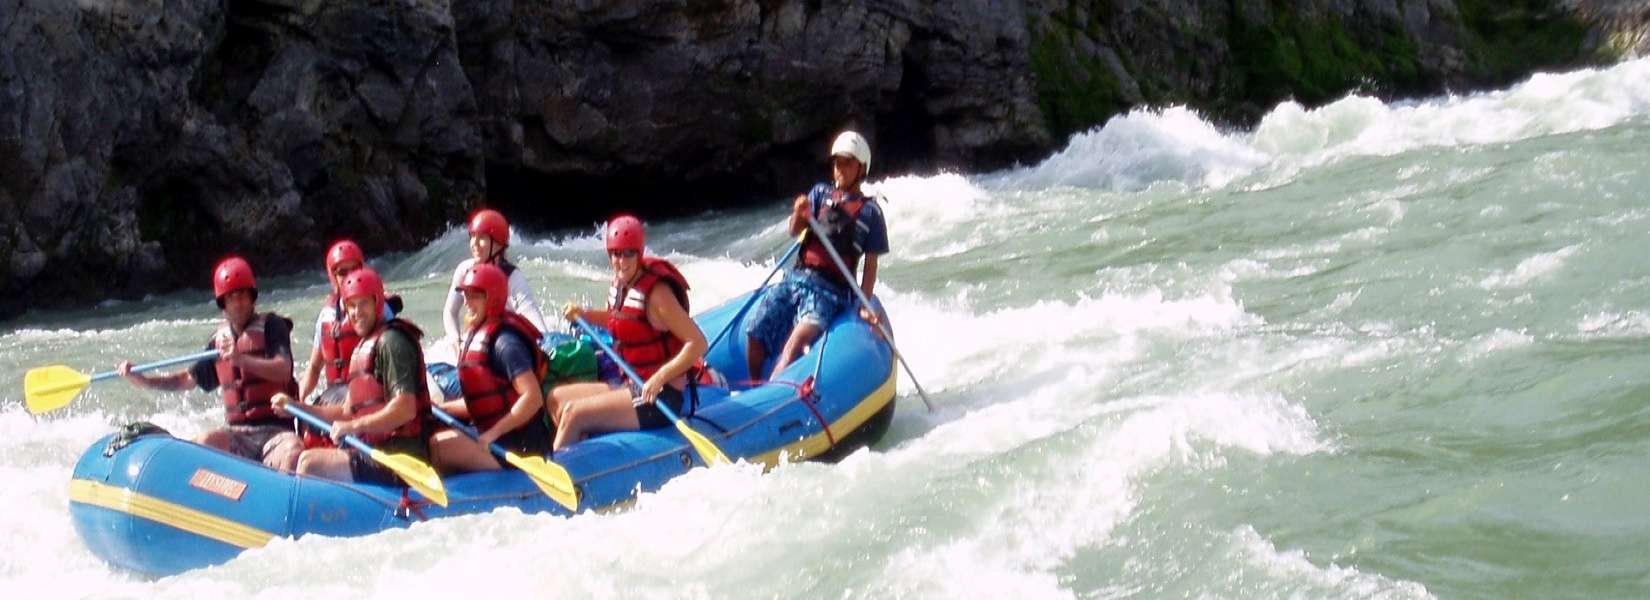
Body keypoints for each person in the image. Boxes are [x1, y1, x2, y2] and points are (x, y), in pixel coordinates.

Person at [117, 257, 301, 471]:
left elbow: (283, 369)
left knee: (293, 452)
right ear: (224, 304)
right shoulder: (218, 341)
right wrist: (142, 380)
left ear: (252, 298)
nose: (238, 302)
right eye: (231, 297)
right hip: (237, 434)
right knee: (206, 441)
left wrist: (241, 359)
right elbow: (185, 380)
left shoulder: (272, 326)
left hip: (276, 431)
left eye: (242, 294)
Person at [552, 215, 710, 450]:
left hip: (659, 396)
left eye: (629, 253)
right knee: (557, 398)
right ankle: (584, 452)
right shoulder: (621, 284)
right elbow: (622, 323)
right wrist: (584, 315)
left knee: (573, 413)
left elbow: (698, 343)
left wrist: (660, 377)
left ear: (640, 252)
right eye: (616, 253)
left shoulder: (658, 295)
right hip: (632, 384)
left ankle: (562, 470)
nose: (622, 261)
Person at [744, 130, 890, 381]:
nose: (840, 168)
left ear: (861, 168)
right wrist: (798, 214)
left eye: (847, 163)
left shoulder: (871, 212)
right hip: (795, 279)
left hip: (830, 293)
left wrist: (864, 305)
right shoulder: (820, 193)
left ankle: (770, 394)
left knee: (795, 343)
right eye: (837, 163)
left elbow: (870, 266)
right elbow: (794, 230)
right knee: (755, 332)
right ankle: (755, 384)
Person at [273, 268, 433, 484]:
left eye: (363, 303)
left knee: (310, 463)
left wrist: (355, 427)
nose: (357, 312)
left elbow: (405, 408)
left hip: (401, 457)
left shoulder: (392, 342)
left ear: (377, 303)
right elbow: (346, 412)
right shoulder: (362, 348)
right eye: (351, 305)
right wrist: (296, 407)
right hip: (372, 450)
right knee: (307, 456)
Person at [429, 263, 554, 471]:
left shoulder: (505, 344)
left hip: (521, 446)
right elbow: (487, 402)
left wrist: (492, 434)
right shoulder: (478, 335)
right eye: (466, 295)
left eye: (475, 296)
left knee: (438, 446)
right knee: (435, 429)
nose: (467, 303)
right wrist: (443, 409)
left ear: (493, 298)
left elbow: (533, 399)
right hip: (498, 437)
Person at [442, 209, 548, 350]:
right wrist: (457, 342)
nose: (475, 243)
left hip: (504, 343)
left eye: (482, 238)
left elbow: (539, 329)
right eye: (473, 236)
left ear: (499, 243)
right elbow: (449, 312)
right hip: (476, 341)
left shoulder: (513, 277)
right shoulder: (464, 270)